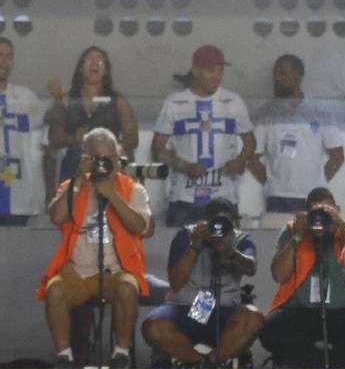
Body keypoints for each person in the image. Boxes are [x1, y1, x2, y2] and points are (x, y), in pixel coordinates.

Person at [37, 127, 152, 369]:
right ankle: (64, 357)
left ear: (117, 157)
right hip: (78, 269)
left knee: (128, 288)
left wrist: (112, 196)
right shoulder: (72, 185)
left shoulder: (133, 188)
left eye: (108, 159)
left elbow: (140, 226)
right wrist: (79, 180)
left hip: (116, 269)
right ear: (85, 158)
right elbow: (57, 217)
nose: (104, 165)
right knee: (54, 291)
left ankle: (120, 353)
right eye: (97, 159)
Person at [259, 187, 345, 369]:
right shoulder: (292, 230)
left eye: (326, 210)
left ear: (337, 209)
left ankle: (332, 361)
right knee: (270, 329)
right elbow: (279, 275)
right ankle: (319, 361)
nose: (320, 217)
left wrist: (339, 222)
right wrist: (296, 236)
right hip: (300, 311)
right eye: (315, 212)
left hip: (344, 310)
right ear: (306, 213)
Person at [142, 198, 263, 368]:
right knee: (153, 326)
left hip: (225, 310)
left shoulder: (240, 239)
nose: (220, 229)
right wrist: (195, 246)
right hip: (186, 307)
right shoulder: (187, 235)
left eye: (226, 223)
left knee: (254, 317)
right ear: (205, 221)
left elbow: (251, 268)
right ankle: (198, 361)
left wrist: (230, 252)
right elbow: (175, 283)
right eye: (215, 222)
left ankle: (213, 361)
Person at [151, 45, 255, 227]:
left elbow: (250, 141)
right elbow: (157, 148)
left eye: (220, 71)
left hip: (224, 197)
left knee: (225, 252)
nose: (217, 76)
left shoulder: (233, 101)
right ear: (195, 71)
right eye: (211, 71)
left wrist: (241, 159)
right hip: (184, 198)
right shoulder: (175, 102)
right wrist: (184, 165)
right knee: (181, 250)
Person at [247, 54, 344, 228]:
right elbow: (251, 156)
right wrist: (271, 182)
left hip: (313, 197)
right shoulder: (266, 113)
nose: (278, 79)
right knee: (279, 245)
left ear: (298, 75)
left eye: (283, 73)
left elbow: (337, 156)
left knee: (311, 248)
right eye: (276, 74)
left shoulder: (320, 112)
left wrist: (317, 182)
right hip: (278, 197)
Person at [46, 46, 138, 184]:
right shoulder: (66, 100)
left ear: (106, 70)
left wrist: (108, 148)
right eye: (89, 60)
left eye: (99, 61)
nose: (94, 64)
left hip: (108, 167)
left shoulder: (118, 101)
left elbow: (132, 139)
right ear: (81, 68)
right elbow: (53, 139)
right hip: (74, 168)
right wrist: (73, 138)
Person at [0, 37, 45, 225]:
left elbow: (41, 141)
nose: (4, 61)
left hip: (18, 185)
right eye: (0, 55)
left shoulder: (26, 97)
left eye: (8, 56)